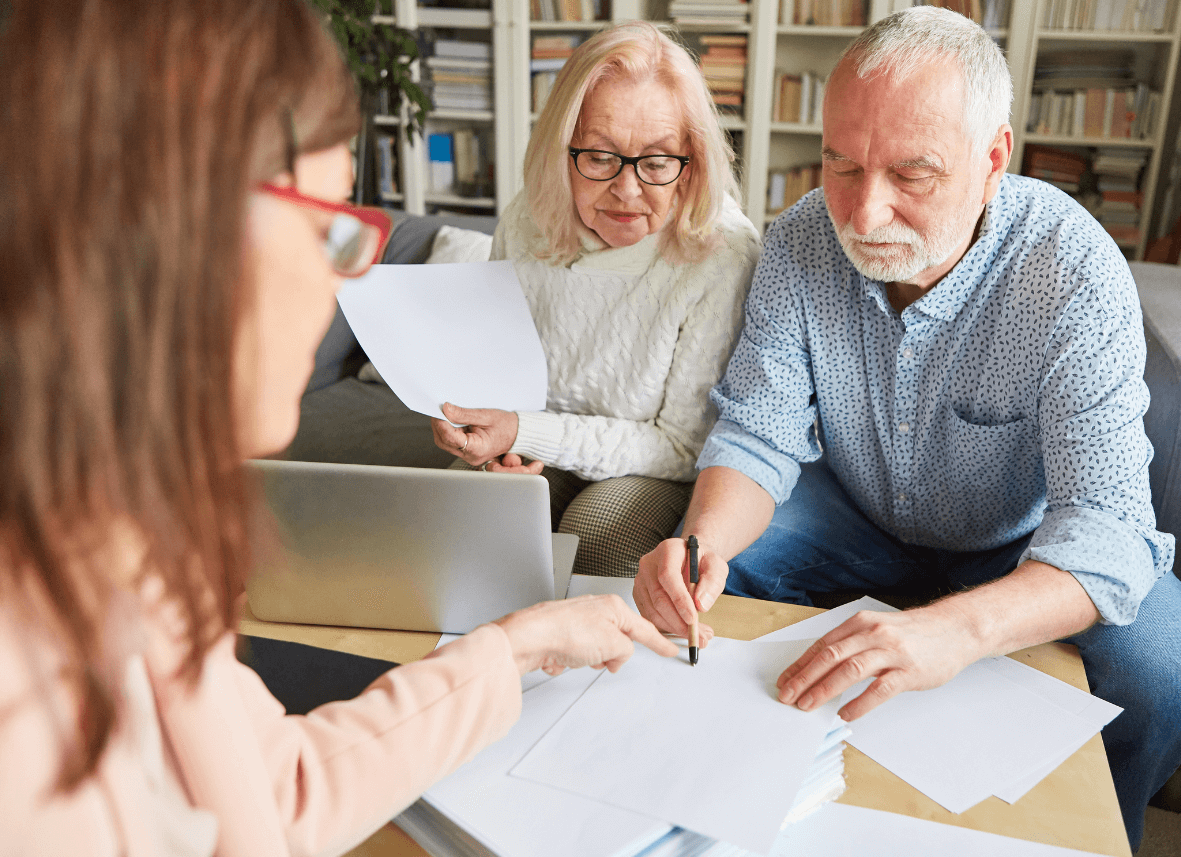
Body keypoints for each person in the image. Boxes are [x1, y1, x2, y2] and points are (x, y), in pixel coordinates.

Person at [0, 2, 678, 854]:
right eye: (326, 228)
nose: (341, 287)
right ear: (173, 228)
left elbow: (274, 796)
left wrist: (515, 646)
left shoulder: (130, 539)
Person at [633, 7, 1181, 850]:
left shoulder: (1073, 269)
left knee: (1161, 664)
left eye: (913, 174)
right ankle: (741, 810)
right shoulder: (797, 244)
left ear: (992, 160)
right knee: (720, 563)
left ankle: (1088, 835)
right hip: (852, 517)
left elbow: (1109, 529)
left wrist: (957, 629)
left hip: (1022, 547)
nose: (864, 212)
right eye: (843, 165)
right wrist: (701, 540)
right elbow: (759, 434)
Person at [428, 21, 761, 577]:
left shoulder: (721, 253)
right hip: (534, 440)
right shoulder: (528, 217)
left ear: (693, 162)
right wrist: (486, 435)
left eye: (656, 163)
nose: (627, 191)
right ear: (562, 150)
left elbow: (681, 447)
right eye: (600, 157)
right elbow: (496, 366)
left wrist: (524, 430)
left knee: (595, 539)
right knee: (455, 515)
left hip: (650, 466)